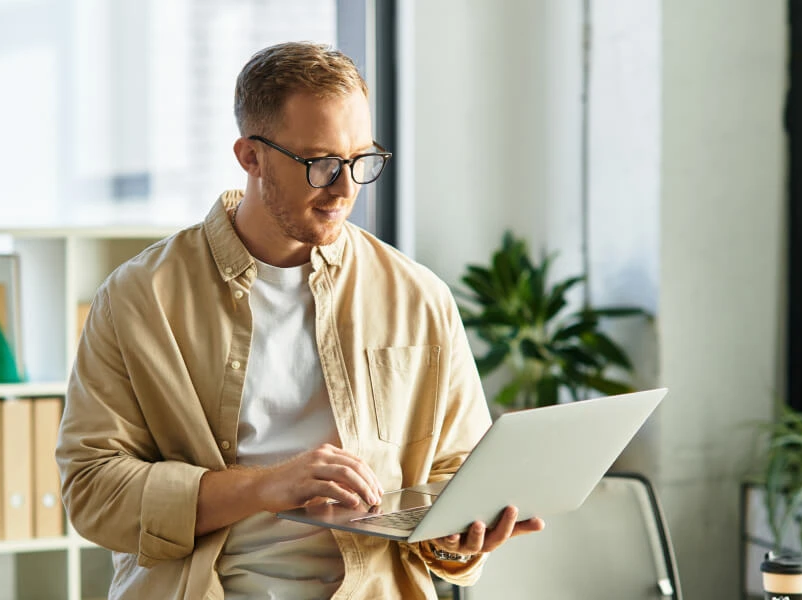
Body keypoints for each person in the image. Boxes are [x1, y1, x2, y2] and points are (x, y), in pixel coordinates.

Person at [56, 41, 544, 600]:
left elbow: (457, 472)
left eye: (362, 160)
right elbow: (93, 492)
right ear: (251, 156)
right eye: (321, 164)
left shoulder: (418, 297)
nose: (345, 188)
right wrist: (266, 487)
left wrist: (463, 537)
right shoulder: (140, 297)